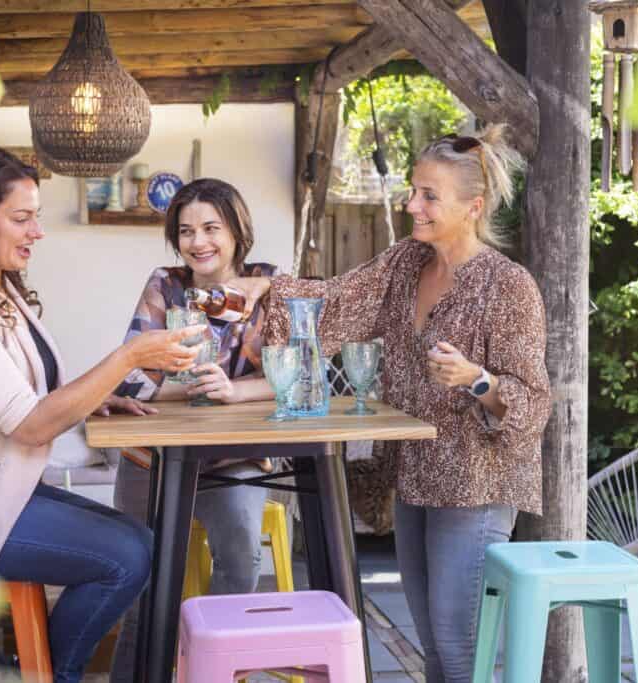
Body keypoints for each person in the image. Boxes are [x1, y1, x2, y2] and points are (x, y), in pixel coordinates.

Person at [229, 124, 552, 683]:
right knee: (433, 643)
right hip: (414, 473)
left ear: (473, 207)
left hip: (475, 484)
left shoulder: (509, 286)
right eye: (413, 190)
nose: (412, 205)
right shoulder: (406, 263)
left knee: (457, 648)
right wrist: (271, 289)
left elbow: (532, 402)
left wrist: (477, 379)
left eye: (429, 196)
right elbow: (338, 298)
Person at [0, 146, 204, 683]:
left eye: (37, 218)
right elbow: (30, 423)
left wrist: (98, 396)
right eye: (21, 218)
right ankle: (49, 674)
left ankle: (27, 670)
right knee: (124, 557)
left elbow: (28, 393)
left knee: (140, 542)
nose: (37, 232)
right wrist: (128, 358)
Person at [109, 177, 278, 683]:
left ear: (236, 230)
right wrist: (188, 390)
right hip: (154, 453)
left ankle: (213, 670)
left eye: (210, 227)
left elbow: (294, 375)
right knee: (141, 572)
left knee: (241, 556)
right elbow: (131, 377)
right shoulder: (167, 285)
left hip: (235, 454)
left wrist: (235, 390)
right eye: (186, 231)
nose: (198, 241)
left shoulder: (270, 283)